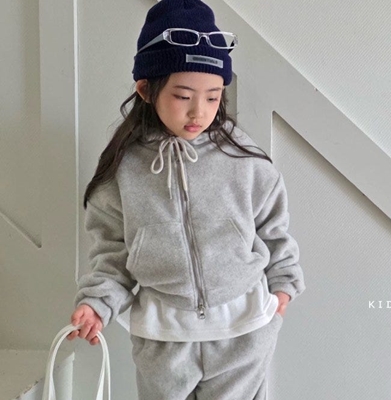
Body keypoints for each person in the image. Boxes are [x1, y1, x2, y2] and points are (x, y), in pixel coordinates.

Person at [67, 0, 306, 398]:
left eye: (213, 97)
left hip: (242, 329)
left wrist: (283, 286)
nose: (199, 112)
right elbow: (112, 255)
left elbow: (273, 228)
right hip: (164, 336)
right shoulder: (124, 170)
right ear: (146, 89)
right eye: (183, 96)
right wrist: (97, 304)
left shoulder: (243, 160)